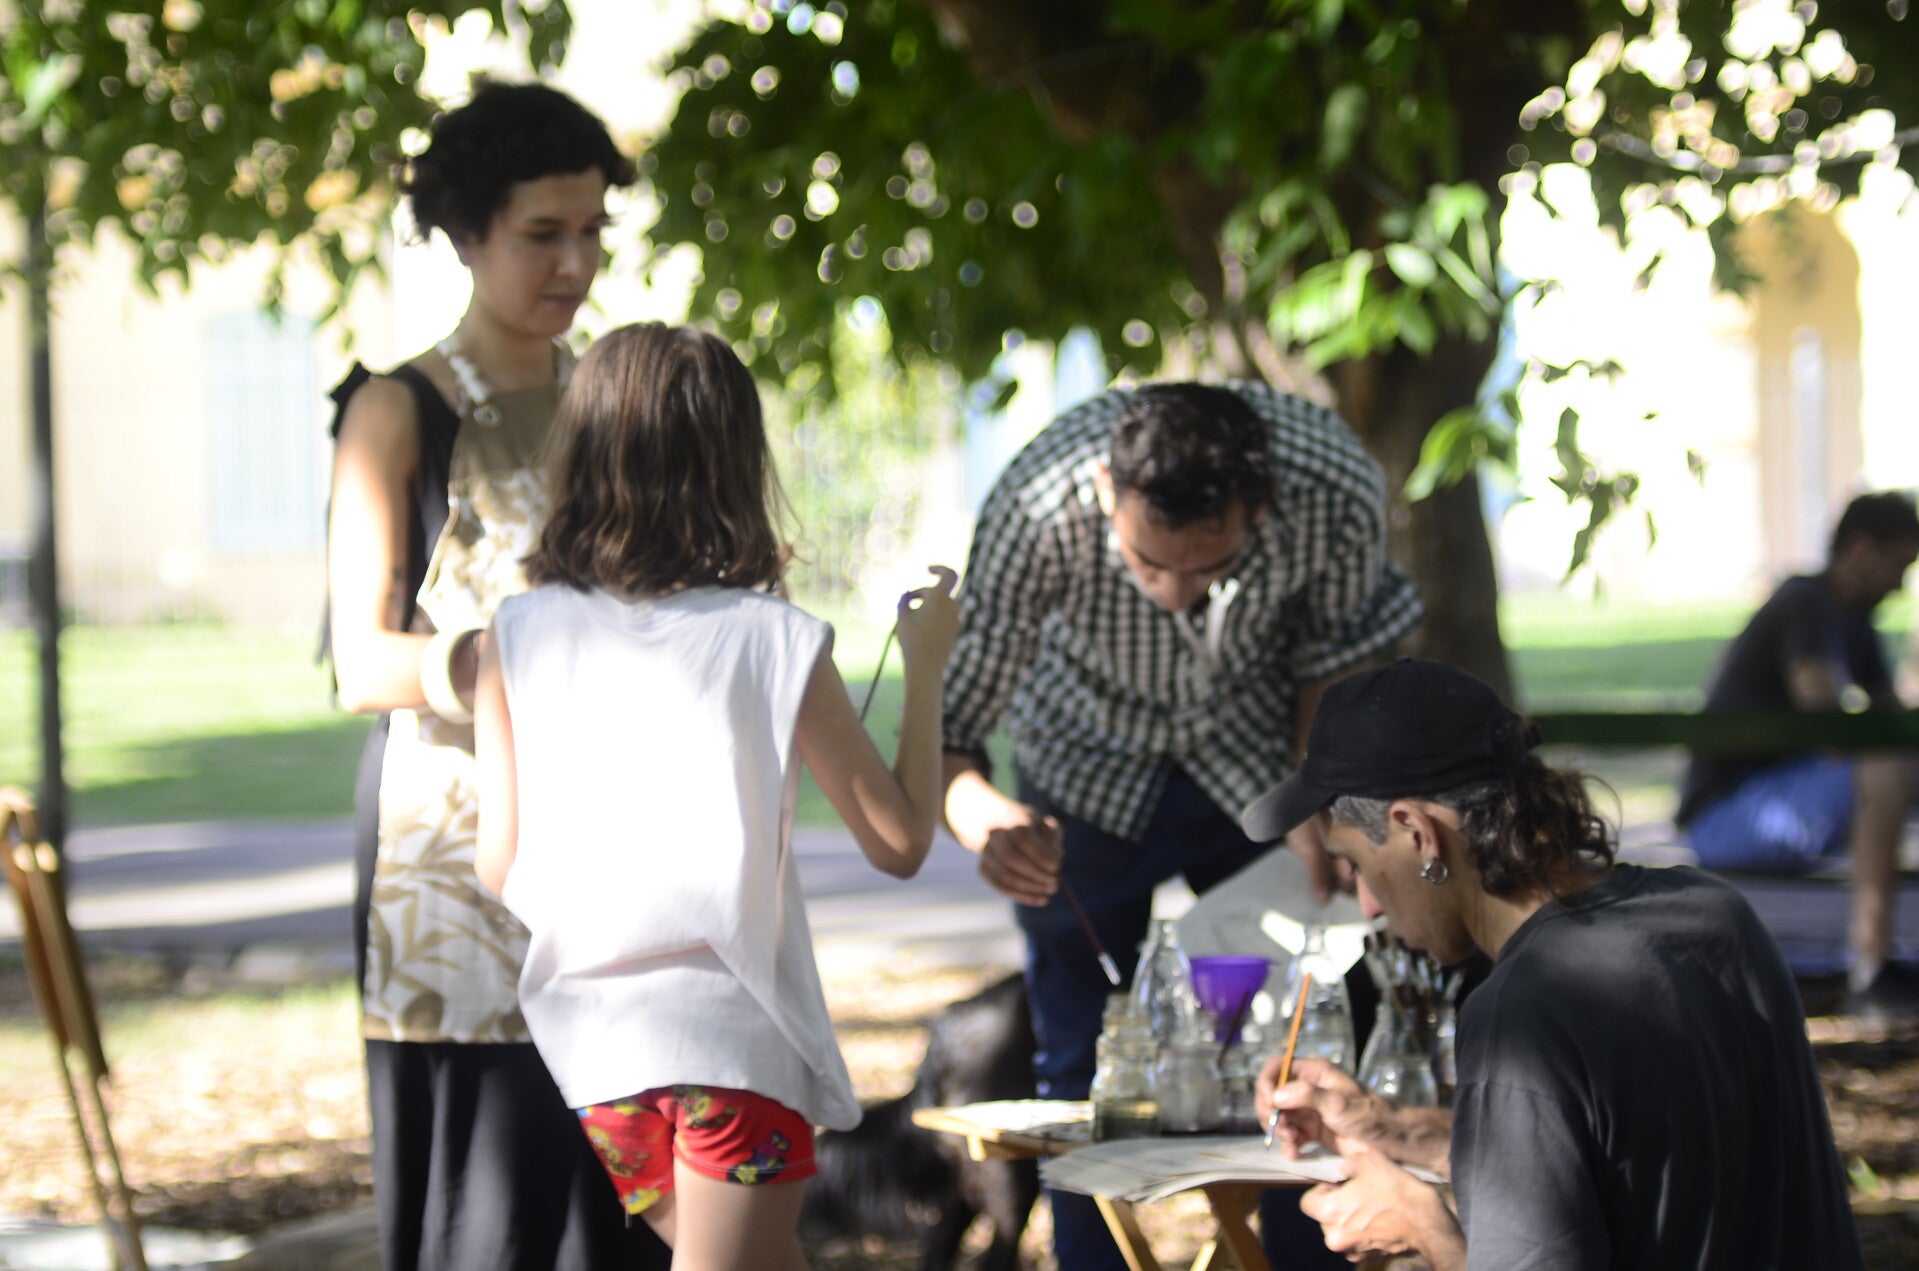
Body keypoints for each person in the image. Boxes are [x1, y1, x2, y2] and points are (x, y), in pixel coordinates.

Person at [469, 321, 962, 1270]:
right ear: (735, 462)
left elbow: (501, 863)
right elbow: (899, 841)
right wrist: (927, 665)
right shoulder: (771, 636)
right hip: (732, 1049)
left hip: (597, 1055)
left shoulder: (515, 633)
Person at [939, 380, 1423, 1269]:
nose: (1173, 594)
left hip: (1256, 765)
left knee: (1301, 1040)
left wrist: (1321, 802)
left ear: (1261, 507)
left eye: (1207, 570)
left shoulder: (1332, 487)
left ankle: (1297, 1258)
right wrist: (986, 820)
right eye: (1146, 564)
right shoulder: (1037, 504)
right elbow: (948, 732)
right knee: (1083, 1059)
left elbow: (1339, 667)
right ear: (1103, 491)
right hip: (1079, 773)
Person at [324, 82, 669, 1269]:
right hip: (454, 862)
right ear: (466, 235)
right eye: (542, 234)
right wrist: (507, 659)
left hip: (617, 852)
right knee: (487, 1207)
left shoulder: (616, 403)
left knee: (620, 1194)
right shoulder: (395, 410)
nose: (575, 262)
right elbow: (360, 660)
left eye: (591, 231)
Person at [1244, 657, 1864, 1271]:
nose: (1369, 905)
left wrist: (1424, 1228)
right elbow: (1619, 1163)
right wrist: (1394, 1130)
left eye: (1356, 865)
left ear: (1417, 834)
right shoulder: (1716, 915)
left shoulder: (1522, 1014)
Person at [1676, 489, 1919, 1021]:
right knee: (1884, 767)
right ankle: (1871, 969)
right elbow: (1827, 719)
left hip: (1780, 801)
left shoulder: (1855, 621)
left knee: (1898, 764)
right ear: (1860, 549)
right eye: (1898, 566)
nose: (1900, 585)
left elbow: (1893, 716)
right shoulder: (1805, 603)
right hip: (1727, 817)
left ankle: (1877, 964)